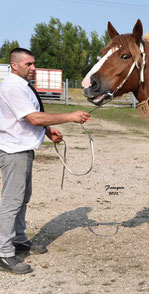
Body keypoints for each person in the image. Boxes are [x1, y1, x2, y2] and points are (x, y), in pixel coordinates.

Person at [0, 48, 90, 274]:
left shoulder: (22, 86)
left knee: (22, 198)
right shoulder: (12, 87)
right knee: (12, 201)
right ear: (15, 65)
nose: (33, 68)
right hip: (13, 151)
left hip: (22, 148)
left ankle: (19, 240)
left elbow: (29, 117)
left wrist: (48, 131)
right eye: (28, 64)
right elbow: (33, 117)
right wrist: (70, 117)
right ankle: (3, 253)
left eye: (33, 64)